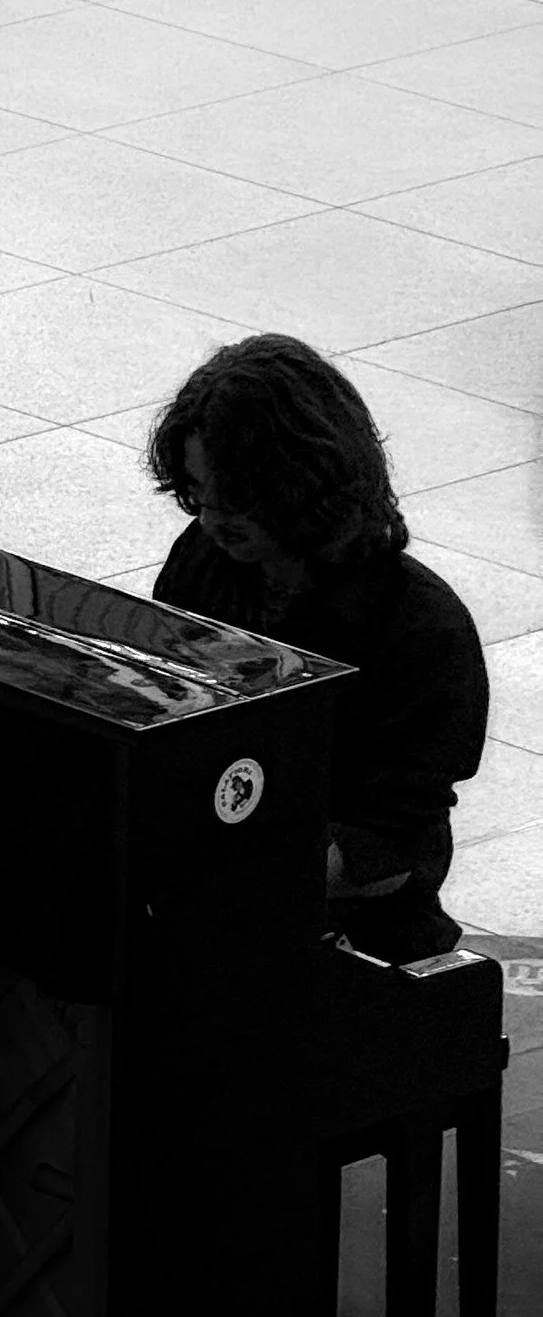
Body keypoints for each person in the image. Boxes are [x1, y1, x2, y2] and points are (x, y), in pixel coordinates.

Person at [146, 332, 487, 964]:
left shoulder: (423, 628)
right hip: (207, 867)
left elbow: (392, 847)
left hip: (357, 922)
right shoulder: (202, 562)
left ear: (304, 482)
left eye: (239, 499)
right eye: (199, 494)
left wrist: (240, 880)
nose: (215, 521)